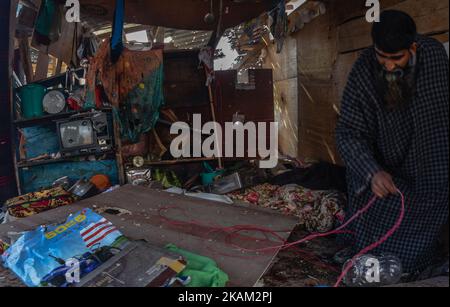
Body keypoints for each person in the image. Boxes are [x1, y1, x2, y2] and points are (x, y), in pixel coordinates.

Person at [335, 10, 449, 279]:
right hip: (381, 165)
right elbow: (348, 132)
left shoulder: (433, 56)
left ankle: (418, 263)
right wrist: (372, 171)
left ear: (413, 47)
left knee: (439, 189)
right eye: (381, 57)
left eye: (396, 58)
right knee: (367, 194)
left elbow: (440, 117)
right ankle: (378, 265)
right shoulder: (363, 70)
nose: (388, 66)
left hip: (430, 158)